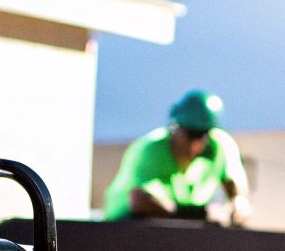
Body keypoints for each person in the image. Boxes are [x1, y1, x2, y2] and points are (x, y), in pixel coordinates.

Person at [102, 89, 252, 225]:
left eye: (203, 135)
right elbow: (140, 201)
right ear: (176, 128)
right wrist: (192, 214)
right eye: (191, 135)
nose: (196, 144)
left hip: (181, 223)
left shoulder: (220, 145)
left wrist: (237, 205)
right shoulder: (152, 148)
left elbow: (236, 192)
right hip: (125, 224)